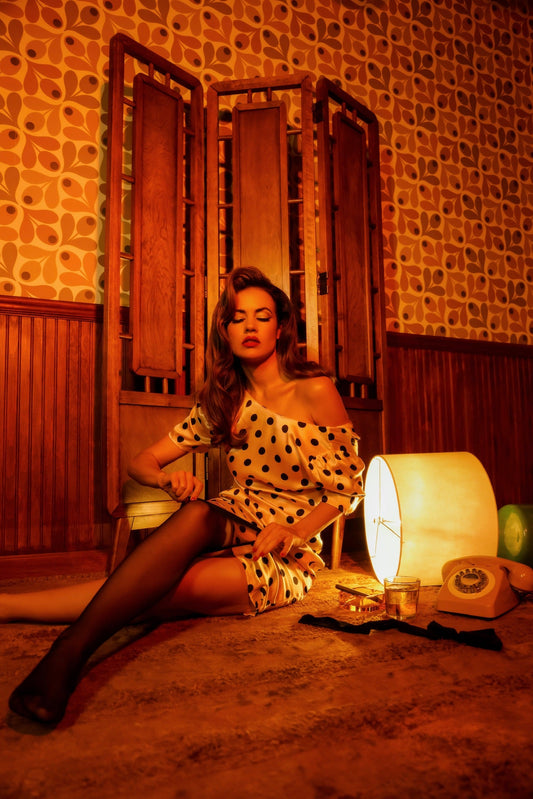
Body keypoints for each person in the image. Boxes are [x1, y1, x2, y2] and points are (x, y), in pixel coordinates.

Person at [5, 266, 364, 725]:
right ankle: (68, 653)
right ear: (225, 331)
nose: (250, 326)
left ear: (280, 328)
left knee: (162, 587)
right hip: (235, 513)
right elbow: (141, 462)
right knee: (194, 515)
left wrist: (295, 531)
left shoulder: (315, 390)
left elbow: (348, 488)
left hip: (286, 549)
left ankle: (14, 610)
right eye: (237, 318)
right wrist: (166, 480)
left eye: (262, 316)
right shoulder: (225, 400)